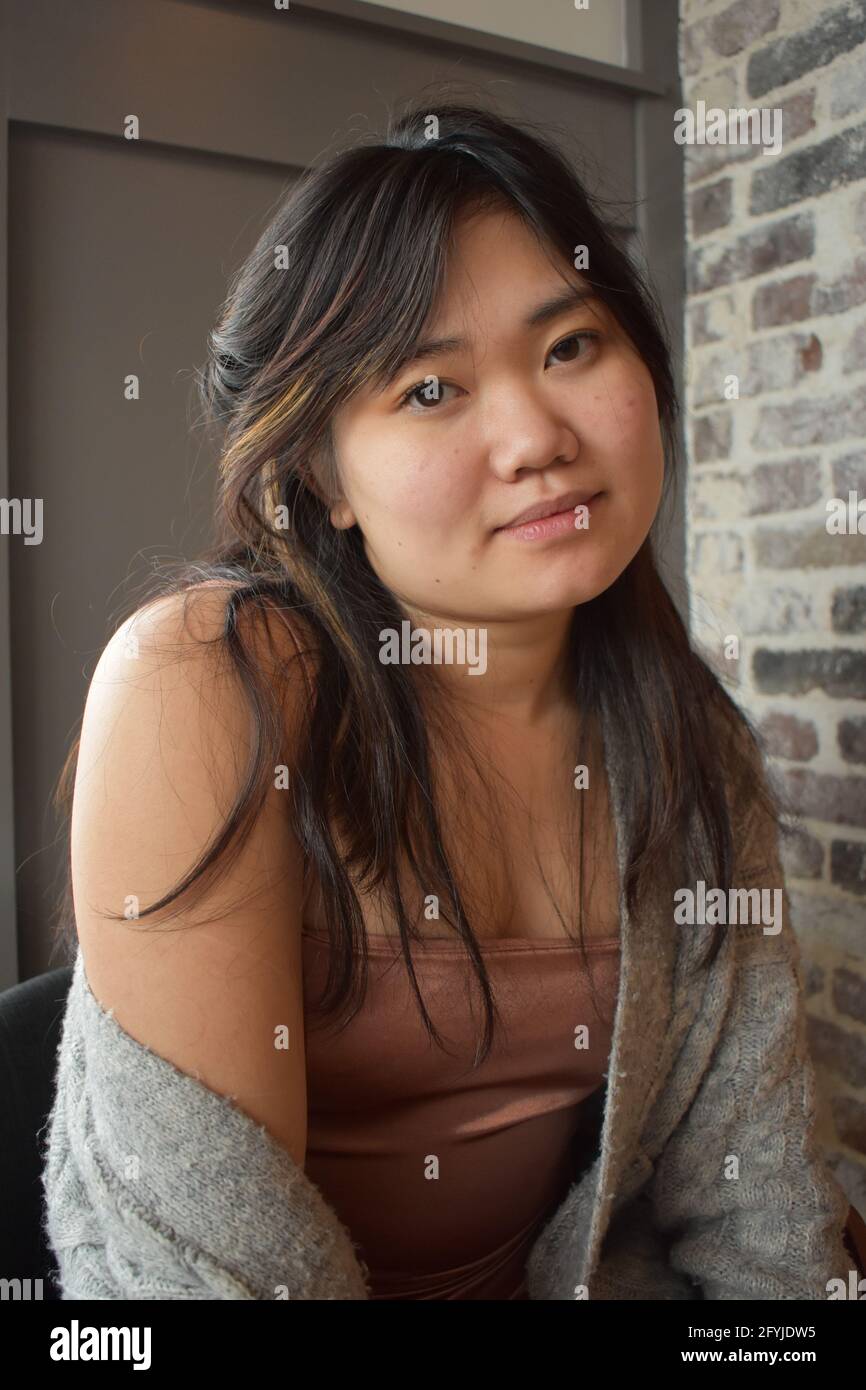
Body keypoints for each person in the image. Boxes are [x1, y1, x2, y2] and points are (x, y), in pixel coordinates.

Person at [41, 97, 857, 1301]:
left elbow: (758, 1211)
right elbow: (205, 1283)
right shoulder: (206, 688)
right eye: (429, 390)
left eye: (568, 346)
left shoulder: (684, 742)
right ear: (321, 473)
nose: (535, 434)